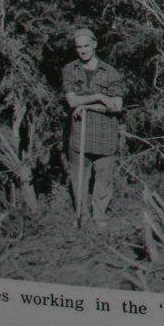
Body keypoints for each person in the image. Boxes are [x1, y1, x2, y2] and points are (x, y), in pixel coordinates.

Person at [61, 27, 125, 229]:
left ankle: (100, 216)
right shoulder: (70, 69)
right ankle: (82, 215)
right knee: (79, 178)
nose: (83, 50)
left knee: (104, 177)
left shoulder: (110, 72)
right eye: (79, 47)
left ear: (95, 45)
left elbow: (116, 106)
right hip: (80, 132)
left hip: (105, 133)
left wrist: (86, 105)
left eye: (86, 46)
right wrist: (99, 97)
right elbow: (72, 101)